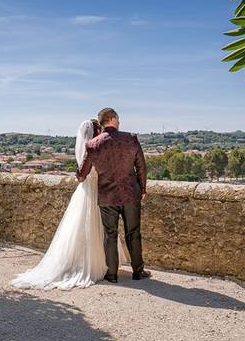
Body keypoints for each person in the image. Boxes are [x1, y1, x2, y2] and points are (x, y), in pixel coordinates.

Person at [10, 118, 109, 289]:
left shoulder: (87, 148)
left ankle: (85, 261)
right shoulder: (94, 148)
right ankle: (93, 263)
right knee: (92, 225)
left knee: (82, 226)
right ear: (95, 131)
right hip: (94, 190)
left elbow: (81, 173)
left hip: (87, 189)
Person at [76, 107, 150, 283]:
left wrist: (78, 174)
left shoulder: (92, 144)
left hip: (107, 196)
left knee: (110, 234)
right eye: (118, 118)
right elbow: (141, 166)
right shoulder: (130, 139)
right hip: (130, 194)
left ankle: (112, 274)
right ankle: (138, 271)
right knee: (133, 233)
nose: (119, 121)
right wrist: (143, 189)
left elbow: (82, 174)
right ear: (112, 119)